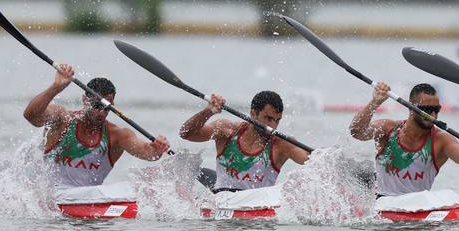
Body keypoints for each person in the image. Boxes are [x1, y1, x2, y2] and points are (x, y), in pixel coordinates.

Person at [24, 63, 170, 188]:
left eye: (107, 108)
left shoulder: (117, 135)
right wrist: (56, 87)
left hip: (88, 202)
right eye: (96, 105)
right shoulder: (62, 119)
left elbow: (147, 152)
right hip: (51, 200)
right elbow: (31, 116)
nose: (101, 113)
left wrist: (157, 148)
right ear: (84, 100)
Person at [350, 82, 459, 196]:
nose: (433, 115)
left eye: (436, 109)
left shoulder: (442, 140)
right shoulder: (388, 129)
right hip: (381, 200)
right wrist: (375, 102)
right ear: (411, 108)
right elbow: (356, 132)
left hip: (416, 206)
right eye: (427, 109)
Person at [179, 90, 309, 190]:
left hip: (260, 217)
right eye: (268, 119)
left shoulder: (282, 144)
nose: (273, 126)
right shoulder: (227, 131)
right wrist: (208, 111)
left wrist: (325, 157)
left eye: (277, 120)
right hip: (222, 207)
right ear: (253, 113)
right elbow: (186, 134)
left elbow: (310, 160)